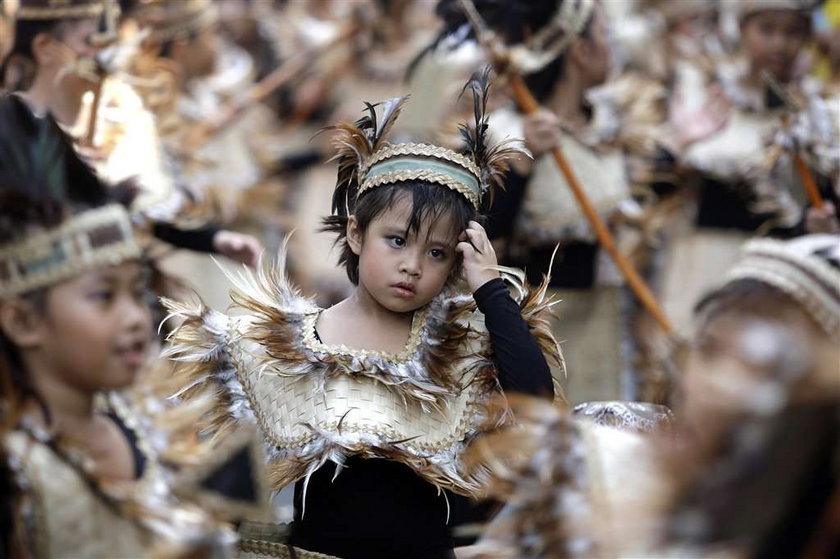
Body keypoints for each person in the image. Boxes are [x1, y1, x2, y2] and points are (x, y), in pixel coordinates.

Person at [163, 70, 560, 558]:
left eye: (437, 253)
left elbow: (538, 406)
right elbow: (224, 503)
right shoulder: (271, 350)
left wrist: (490, 288)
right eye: (396, 241)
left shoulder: (466, 350)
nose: (412, 266)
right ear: (355, 234)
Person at [0, 94, 235, 558]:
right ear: (24, 320)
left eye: (137, 291)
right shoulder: (13, 475)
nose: (135, 316)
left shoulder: (140, 424)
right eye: (103, 296)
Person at [1, 0, 262, 270]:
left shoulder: (117, 114)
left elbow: (144, 211)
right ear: (45, 48)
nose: (103, 56)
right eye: (91, 40)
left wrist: (216, 240)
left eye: (108, 42)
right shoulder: (10, 127)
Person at [661, 0, 839, 333]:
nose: (779, 44)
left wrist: (815, 223)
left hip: (781, 266)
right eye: (766, 30)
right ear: (742, 29)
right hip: (708, 256)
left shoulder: (819, 113)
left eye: (792, 32)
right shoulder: (708, 92)